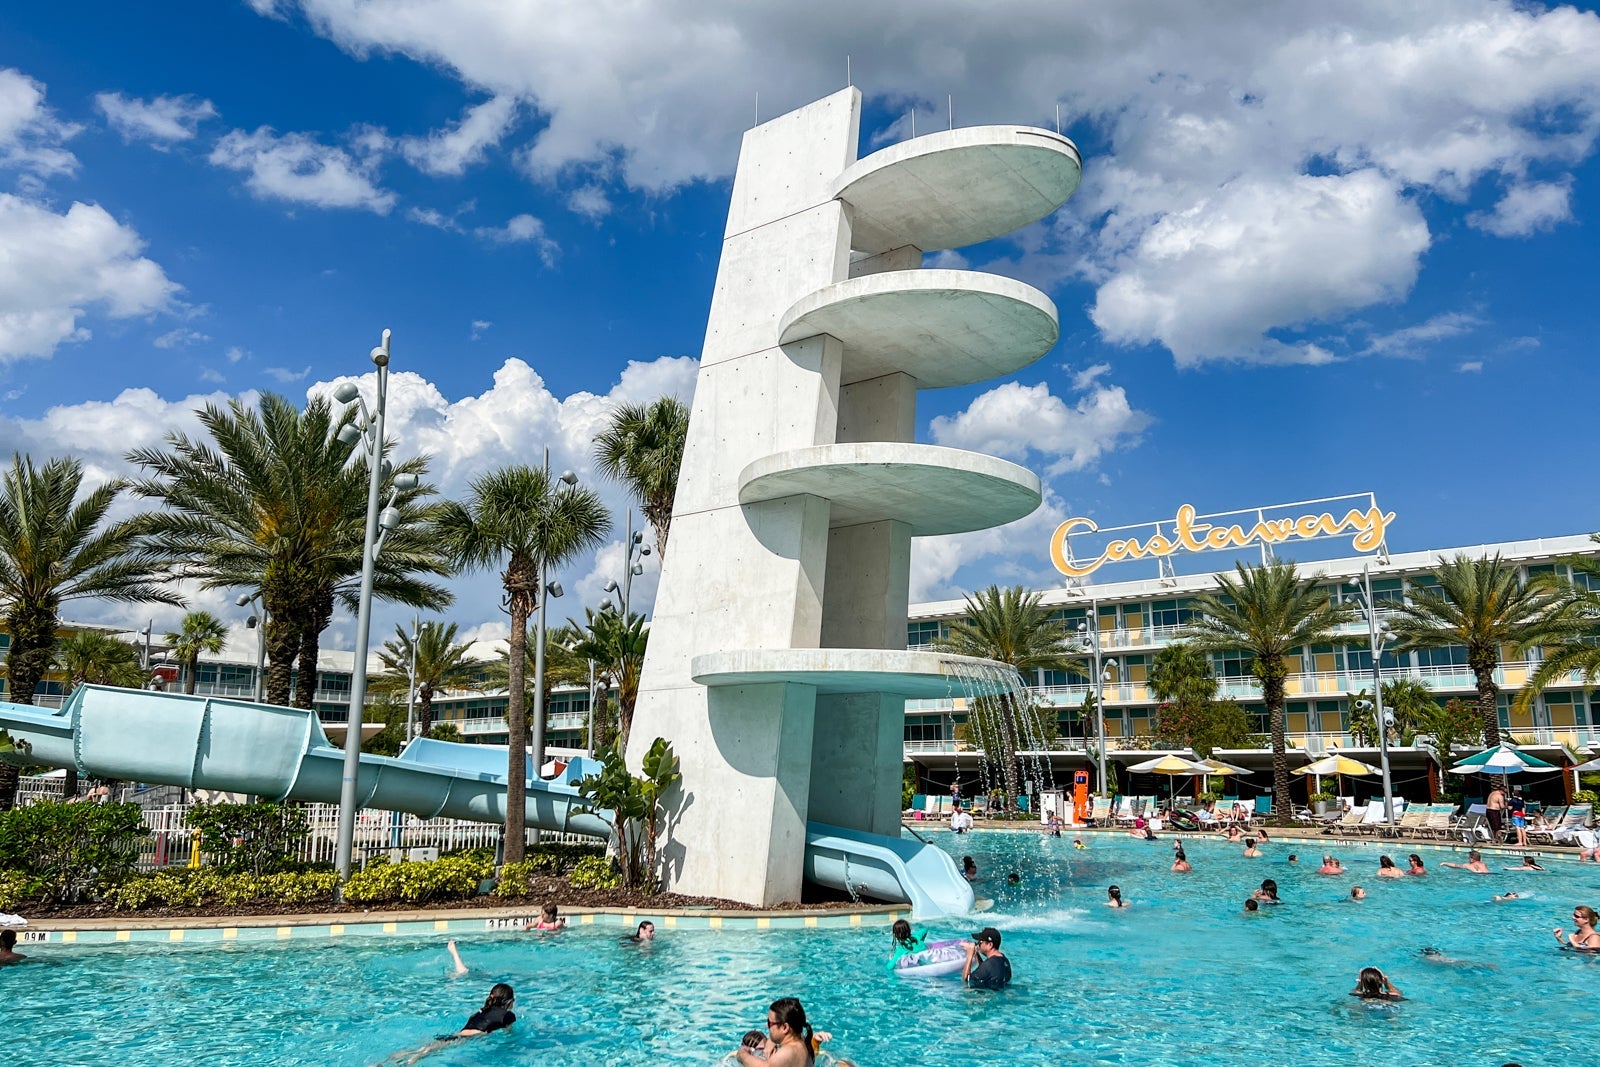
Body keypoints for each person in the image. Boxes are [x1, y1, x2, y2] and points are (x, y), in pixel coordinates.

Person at [388, 983, 517, 1065]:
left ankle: (384, 1062)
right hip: (466, 1039)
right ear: (509, 1002)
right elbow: (508, 1034)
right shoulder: (508, 1015)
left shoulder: (481, 1011)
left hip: (454, 1035)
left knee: (423, 1049)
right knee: (423, 1054)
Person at [738, 998, 815, 1067]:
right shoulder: (803, 1043)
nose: (767, 1026)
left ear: (785, 1027)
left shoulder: (786, 1053)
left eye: (769, 1023)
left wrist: (742, 1054)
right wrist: (772, 1041)